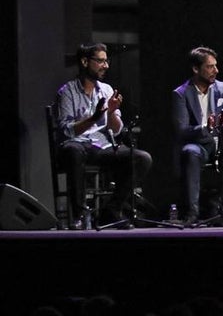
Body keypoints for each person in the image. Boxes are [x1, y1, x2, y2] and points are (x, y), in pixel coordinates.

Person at [53, 43, 152, 228]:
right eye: (100, 61)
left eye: (106, 61)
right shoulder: (67, 92)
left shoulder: (106, 89)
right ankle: (80, 215)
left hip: (101, 145)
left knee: (141, 158)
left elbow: (115, 131)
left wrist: (112, 112)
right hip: (76, 144)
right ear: (84, 62)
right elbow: (67, 131)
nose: (106, 66)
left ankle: (112, 211)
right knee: (73, 151)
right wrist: (95, 117)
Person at [172, 46, 223, 225]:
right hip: (197, 143)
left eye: (215, 66)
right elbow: (182, 130)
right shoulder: (181, 93)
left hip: (221, 141)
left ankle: (217, 203)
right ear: (196, 69)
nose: (216, 70)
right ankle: (193, 212)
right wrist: (205, 127)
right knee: (190, 153)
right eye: (210, 67)